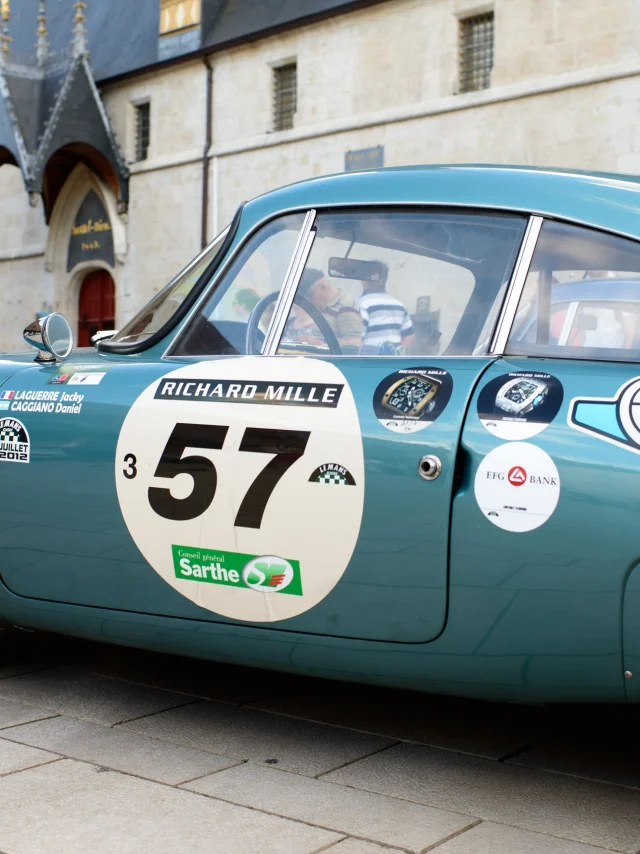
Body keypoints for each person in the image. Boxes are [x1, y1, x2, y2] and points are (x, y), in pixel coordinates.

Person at [288, 268, 363, 353]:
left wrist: (319, 344)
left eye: (311, 294)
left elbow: (354, 345)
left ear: (323, 286)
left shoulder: (345, 306)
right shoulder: (323, 307)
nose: (310, 300)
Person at [358, 262, 414, 354]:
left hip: (369, 364)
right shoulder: (399, 306)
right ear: (385, 280)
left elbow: (357, 340)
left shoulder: (362, 305)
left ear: (363, 281)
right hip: (393, 363)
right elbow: (409, 337)